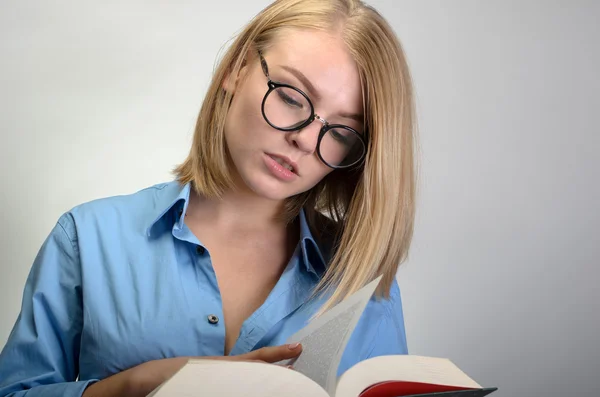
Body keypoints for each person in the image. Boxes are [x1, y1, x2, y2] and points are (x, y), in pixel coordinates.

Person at [0, 0, 417, 396]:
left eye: (342, 132)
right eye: (291, 97)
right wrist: (135, 386)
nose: (306, 140)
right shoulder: (88, 239)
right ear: (236, 70)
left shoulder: (363, 279)